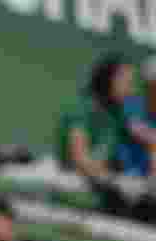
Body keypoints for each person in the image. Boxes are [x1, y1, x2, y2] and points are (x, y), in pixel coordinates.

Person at [54, 53, 139, 217]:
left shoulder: (116, 113)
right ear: (107, 79)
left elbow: (149, 139)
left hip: (101, 187)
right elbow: (81, 160)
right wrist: (115, 181)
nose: (130, 88)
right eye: (125, 81)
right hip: (73, 185)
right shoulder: (82, 108)